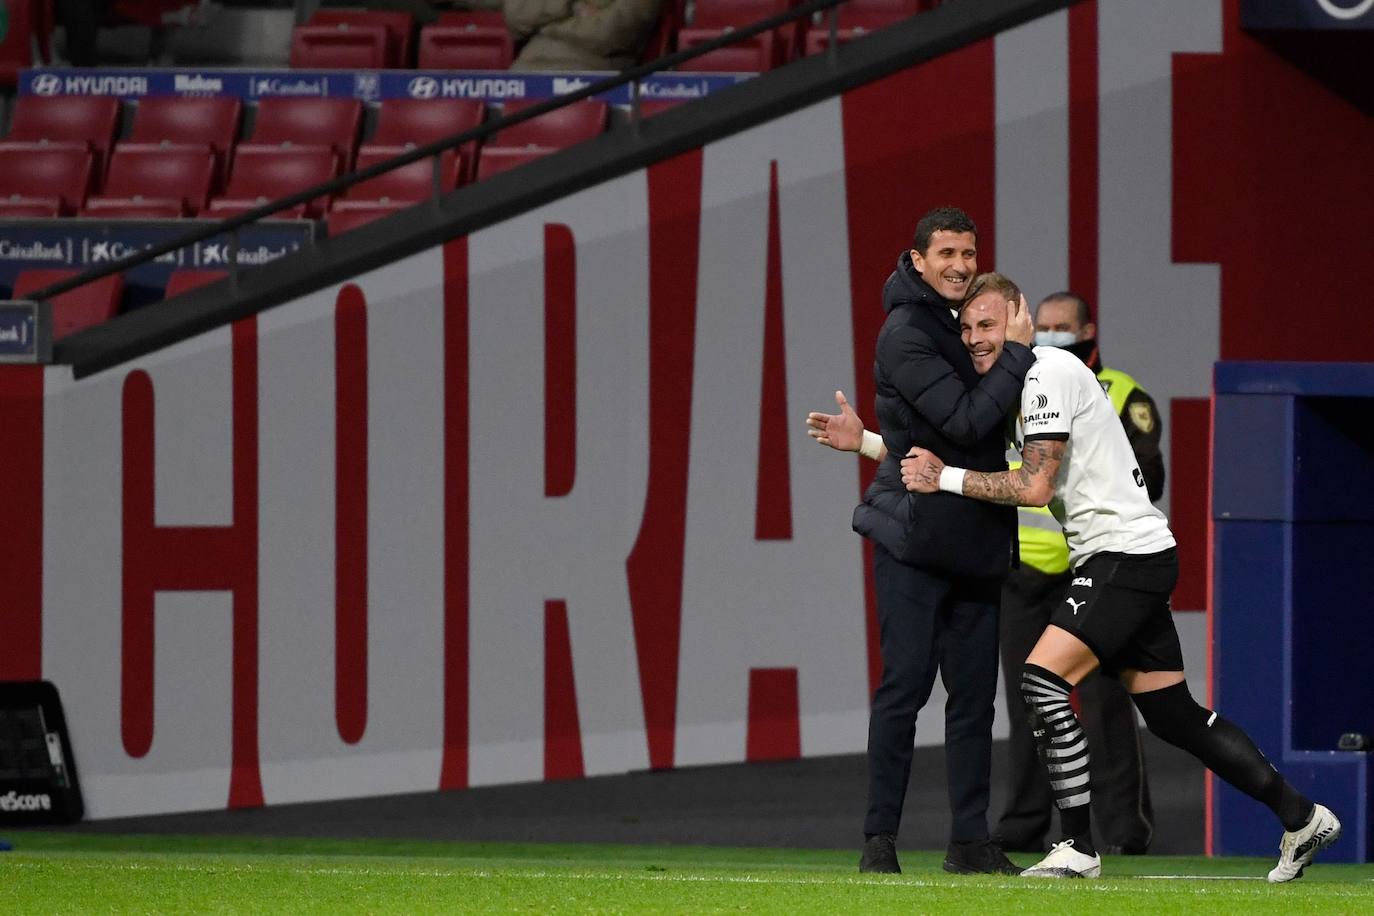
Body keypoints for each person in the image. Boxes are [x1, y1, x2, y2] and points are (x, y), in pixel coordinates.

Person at [899, 272, 1340, 881]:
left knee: (1041, 678)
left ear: (1020, 319)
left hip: (1122, 557)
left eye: (988, 323)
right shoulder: (1018, 384)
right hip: (1131, 553)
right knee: (1173, 715)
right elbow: (946, 455)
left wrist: (944, 478)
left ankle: (1077, 846)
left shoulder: (1047, 370)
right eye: (967, 327)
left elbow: (1033, 486)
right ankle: (1301, 816)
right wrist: (869, 444)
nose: (975, 338)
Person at [845, 207, 1035, 876]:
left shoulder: (957, 324)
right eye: (946, 252)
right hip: (914, 544)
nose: (958, 263)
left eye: (968, 252)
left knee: (975, 702)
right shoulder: (905, 333)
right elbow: (961, 419)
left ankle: (969, 844)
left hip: (975, 542)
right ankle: (880, 842)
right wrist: (1016, 350)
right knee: (904, 689)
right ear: (918, 260)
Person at [996, 291, 1165, 855]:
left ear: (1088, 328)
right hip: (1023, 573)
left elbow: (1148, 475)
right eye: (1041, 326)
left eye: (1061, 326)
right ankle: (1023, 828)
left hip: (1091, 566)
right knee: (1030, 703)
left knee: (1106, 705)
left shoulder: (1118, 392)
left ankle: (1123, 832)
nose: (1049, 334)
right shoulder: (1019, 386)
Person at [503, 0, 663, 71]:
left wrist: (545, 27)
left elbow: (608, 34)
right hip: (524, 69)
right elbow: (516, 17)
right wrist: (575, 8)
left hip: (587, 71)